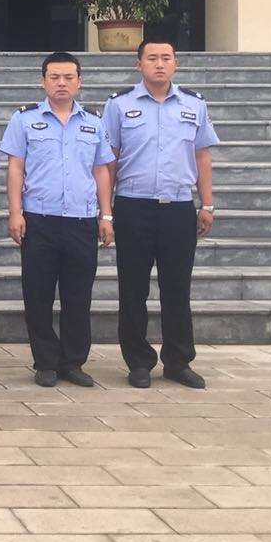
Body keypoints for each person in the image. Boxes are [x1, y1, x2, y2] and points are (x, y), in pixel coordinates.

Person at [102, 38, 219, 390]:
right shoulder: (119, 105)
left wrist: (207, 204)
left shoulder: (194, 105)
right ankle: (138, 362)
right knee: (133, 289)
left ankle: (178, 361)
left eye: (166, 57)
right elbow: (109, 161)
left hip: (178, 209)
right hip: (132, 207)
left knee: (177, 288)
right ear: (139, 64)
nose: (159, 64)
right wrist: (105, 212)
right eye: (152, 58)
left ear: (175, 63)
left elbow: (202, 157)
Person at [1, 52, 115, 389]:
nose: (61, 83)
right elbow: (15, 168)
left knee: (78, 296)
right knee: (37, 295)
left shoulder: (94, 122)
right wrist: (15, 212)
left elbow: (101, 170)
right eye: (54, 77)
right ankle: (46, 362)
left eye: (68, 77)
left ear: (79, 81)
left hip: (81, 220)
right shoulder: (24, 120)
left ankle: (72, 362)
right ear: (43, 81)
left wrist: (107, 214)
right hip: (40, 220)